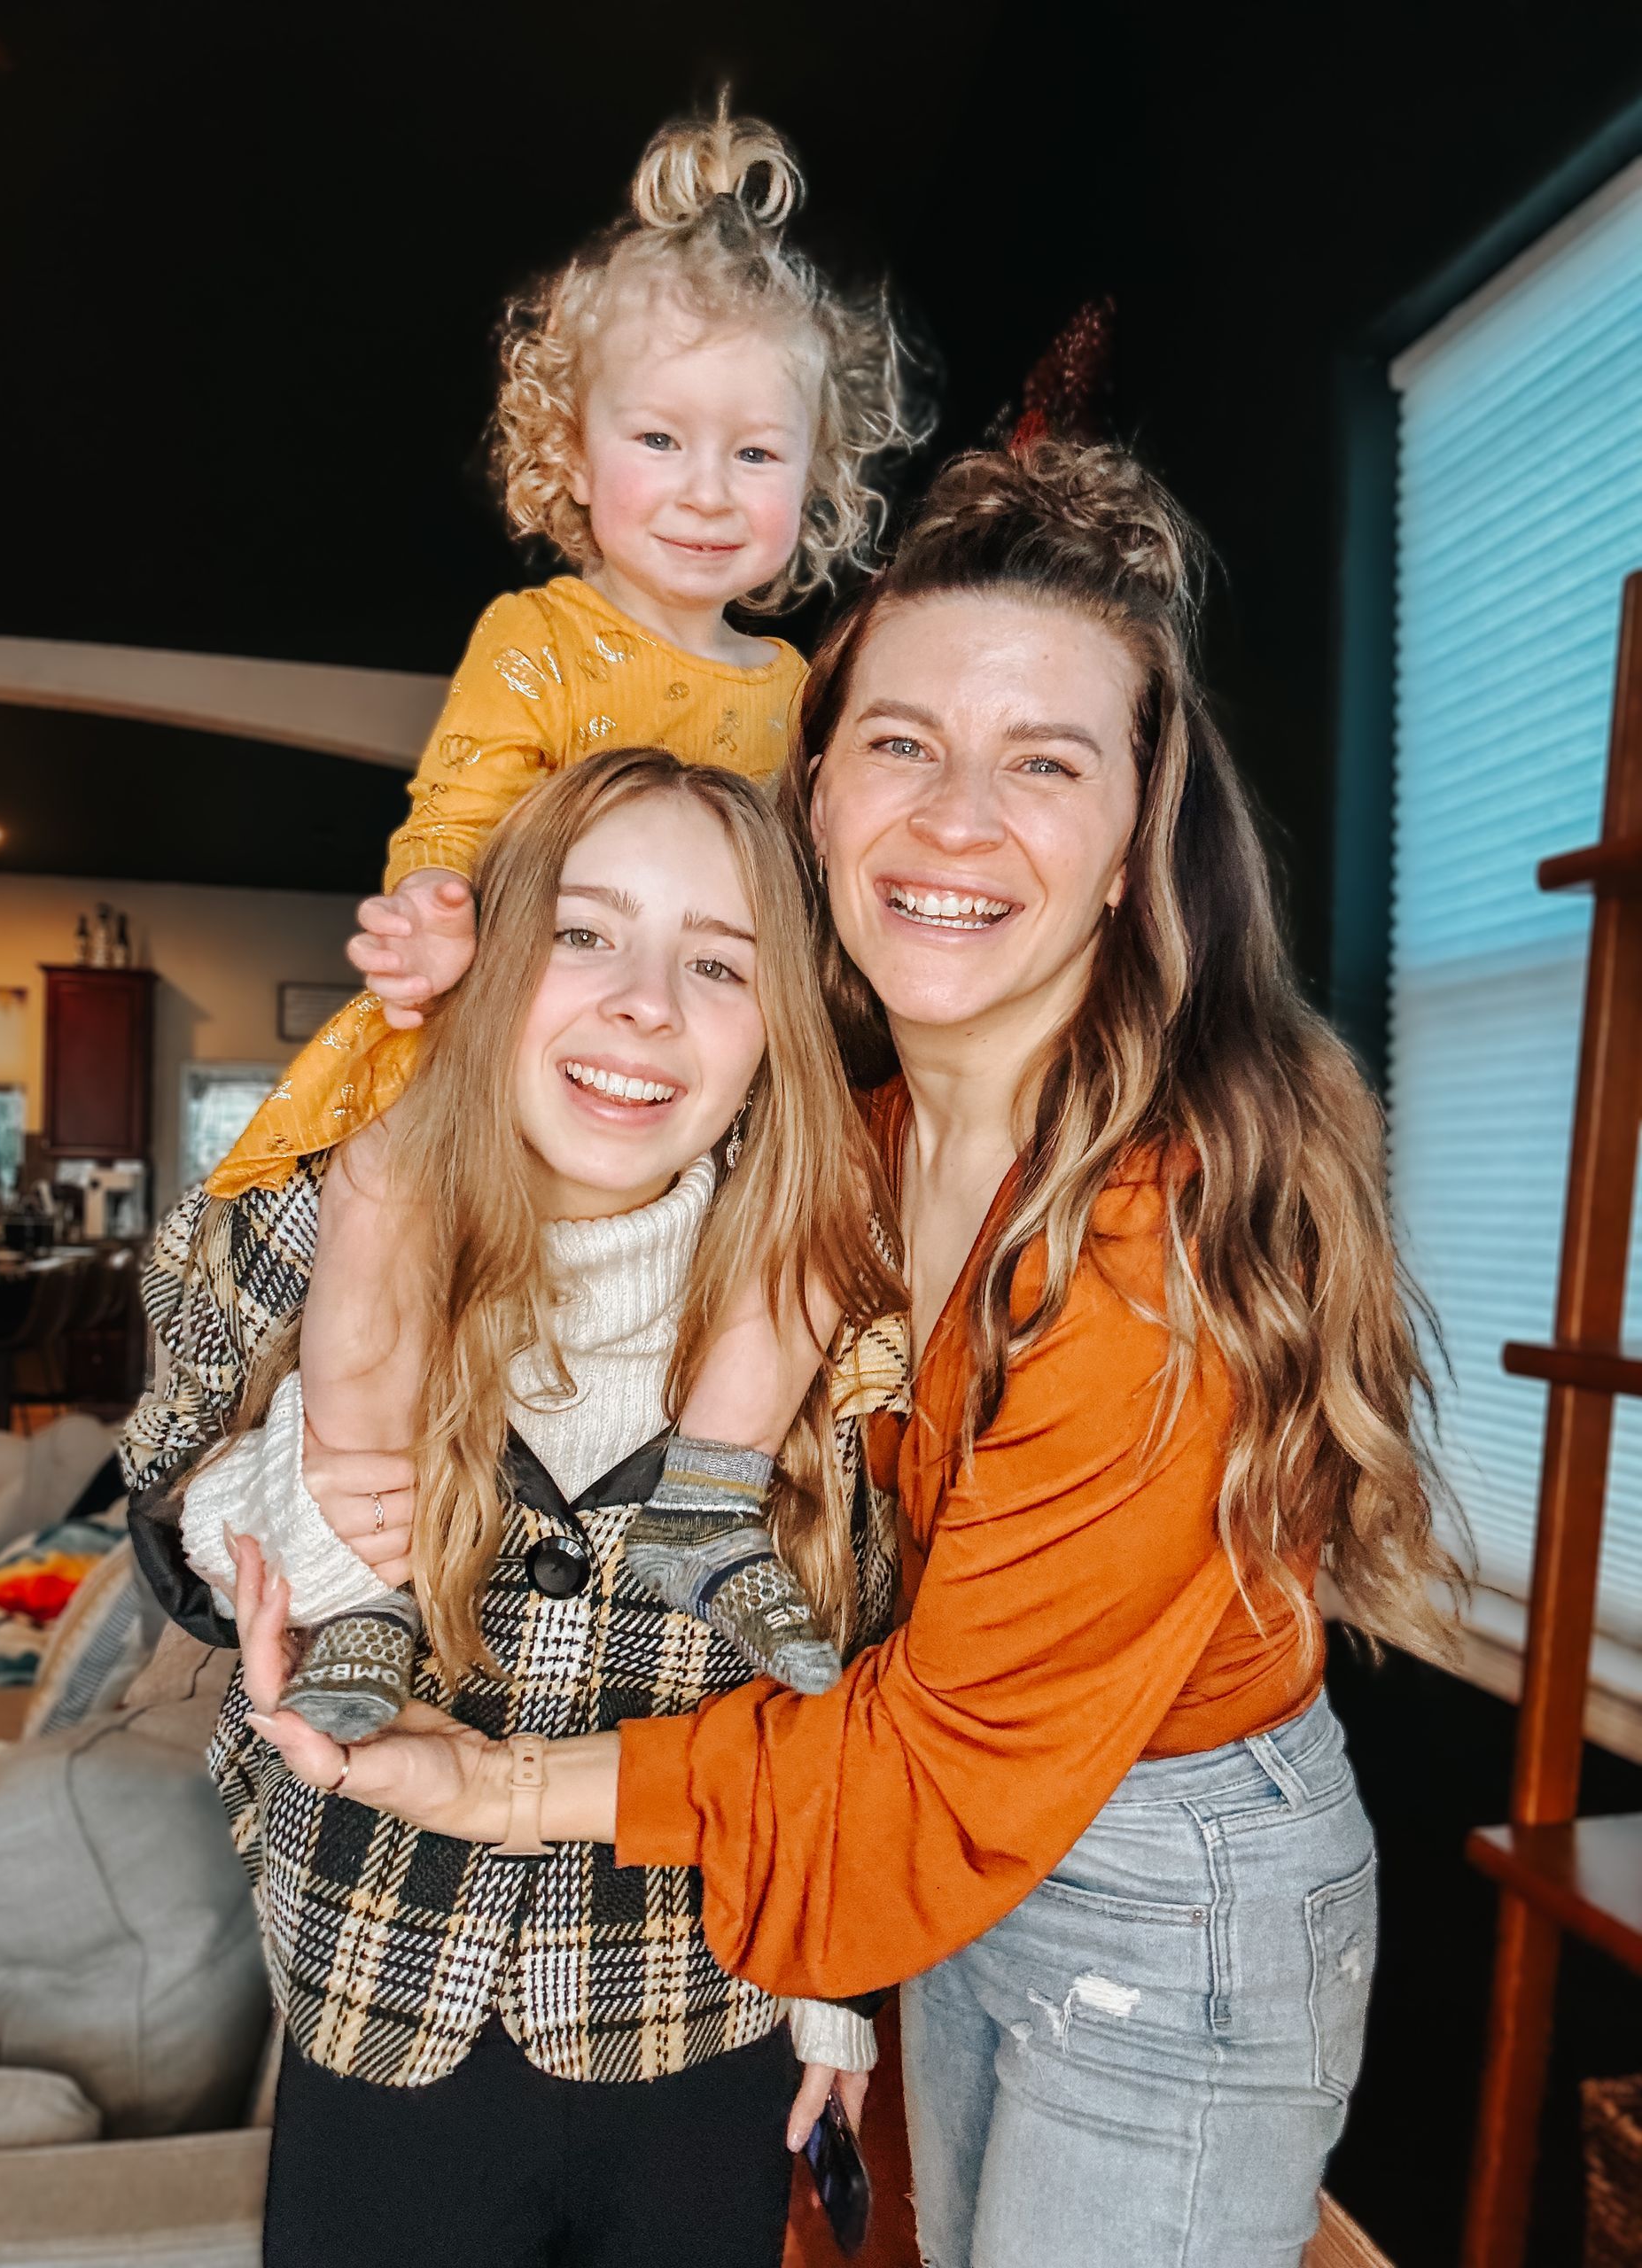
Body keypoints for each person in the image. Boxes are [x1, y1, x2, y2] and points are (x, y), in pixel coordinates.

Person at [243, 439, 1465, 2266]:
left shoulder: (1163, 1230)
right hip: (922, 1838)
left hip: (1163, 1886)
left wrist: (497, 1783)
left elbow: (932, 1755)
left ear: (1134, 843)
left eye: (1044, 761)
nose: (955, 819)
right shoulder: (851, 1150)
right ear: (814, 797)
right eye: (902, 741)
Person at [121, 102, 922, 1720]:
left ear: (818, 479)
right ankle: (364, 1562)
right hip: (478, 1042)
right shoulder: (539, 638)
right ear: (572, 451)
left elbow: (807, 895)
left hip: (705, 1058)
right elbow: (462, 814)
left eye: (757, 454)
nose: (707, 491)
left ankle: (709, 1497)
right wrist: (434, 914)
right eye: (661, 440)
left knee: (824, 1207)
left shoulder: (793, 689)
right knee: (382, 1194)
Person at [128, 750, 905, 2268]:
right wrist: (300, 1506)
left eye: (720, 964)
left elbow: (851, 1684)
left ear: (781, 1032)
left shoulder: (824, 1298)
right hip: (377, 1997)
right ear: (483, 962)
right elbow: (161, 1495)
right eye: (583, 933)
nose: (645, 1004)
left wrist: (836, 1996)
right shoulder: (316, 1212)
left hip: (700, 2016)